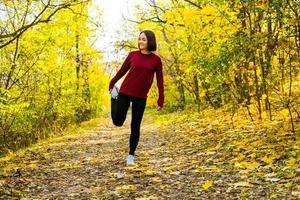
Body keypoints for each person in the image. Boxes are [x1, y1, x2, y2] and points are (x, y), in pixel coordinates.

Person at [109, 30, 164, 165]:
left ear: (150, 41)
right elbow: (122, 70)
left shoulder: (156, 60)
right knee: (118, 122)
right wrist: (112, 82)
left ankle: (131, 155)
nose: (140, 42)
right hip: (125, 92)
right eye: (139, 39)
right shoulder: (132, 55)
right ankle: (113, 98)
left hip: (140, 96)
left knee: (135, 125)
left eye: (143, 39)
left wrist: (161, 98)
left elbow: (160, 80)